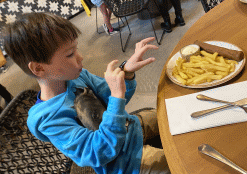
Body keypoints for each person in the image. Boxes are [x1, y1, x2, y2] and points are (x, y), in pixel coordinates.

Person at [3, 12, 171, 174]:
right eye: (70, 54)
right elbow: (99, 153)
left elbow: (113, 100)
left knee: (171, 113)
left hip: (129, 129)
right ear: (39, 68)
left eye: (76, 49)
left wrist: (125, 73)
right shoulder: (49, 119)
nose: (81, 57)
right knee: (180, 162)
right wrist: (116, 96)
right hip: (124, 163)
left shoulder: (78, 76)